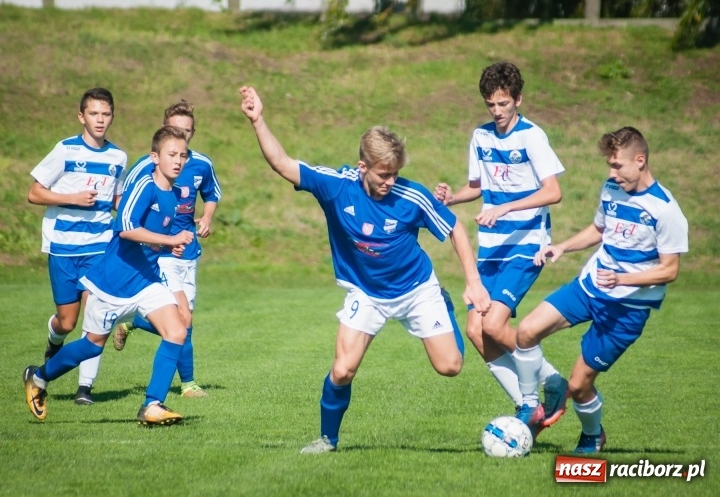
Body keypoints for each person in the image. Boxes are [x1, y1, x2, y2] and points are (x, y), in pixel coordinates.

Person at [239, 86, 491, 454]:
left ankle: (445, 305)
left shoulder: (411, 195)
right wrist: (258, 120)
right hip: (366, 292)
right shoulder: (336, 186)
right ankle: (328, 439)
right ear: (363, 168)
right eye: (384, 174)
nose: (391, 181)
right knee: (342, 370)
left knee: (450, 366)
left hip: (416, 289)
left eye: (395, 173)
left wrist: (473, 282)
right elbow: (282, 163)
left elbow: (455, 228)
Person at [512, 126, 688, 453]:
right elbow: (599, 229)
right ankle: (530, 407)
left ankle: (593, 435)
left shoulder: (665, 210)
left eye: (617, 165)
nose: (612, 173)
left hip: (627, 310)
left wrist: (621, 280)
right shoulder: (611, 189)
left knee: (580, 386)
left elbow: (670, 269)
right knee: (526, 331)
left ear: (640, 160)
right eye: (609, 165)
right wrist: (562, 247)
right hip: (589, 288)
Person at [23, 125, 194, 425]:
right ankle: (38, 378)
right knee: (91, 345)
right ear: (155, 157)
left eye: (182, 155)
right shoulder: (143, 186)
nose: (178, 161)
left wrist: (169, 247)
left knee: (177, 330)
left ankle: (152, 404)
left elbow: (153, 239)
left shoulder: (175, 194)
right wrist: (170, 240)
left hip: (146, 279)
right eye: (171, 154)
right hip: (113, 283)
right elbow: (126, 229)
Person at [434, 62, 568, 433]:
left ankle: (552, 380)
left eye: (503, 103)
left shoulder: (532, 137)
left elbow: (553, 192)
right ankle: (528, 406)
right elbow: (477, 187)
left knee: (494, 324)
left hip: (526, 244)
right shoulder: (481, 136)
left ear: (518, 100)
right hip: (491, 248)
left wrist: (506, 207)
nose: (496, 111)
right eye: (490, 104)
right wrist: (451, 198)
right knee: (476, 330)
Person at [112, 100, 222, 398]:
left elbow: (211, 193)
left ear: (193, 132)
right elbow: (124, 203)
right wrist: (152, 239)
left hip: (188, 252)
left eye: (187, 131)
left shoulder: (201, 164)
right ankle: (188, 384)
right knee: (183, 319)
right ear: (164, 129)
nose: (182, 135)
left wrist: (207, 218)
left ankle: (135, 322)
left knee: (186, 320)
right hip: (161, 255)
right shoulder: (147, 166)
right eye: (175, 129)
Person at [27, 87, 128, 405]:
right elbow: (34, 193)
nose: (100, 119)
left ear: (112, 117)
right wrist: (71, 198)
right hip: (63, 247)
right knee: (67, 322)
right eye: (94, 113)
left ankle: (85, 389)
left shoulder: (118, 157)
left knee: (95, 318)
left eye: (106, 114)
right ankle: (53, 342)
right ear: (81, 117)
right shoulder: (65, 150)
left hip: (99, 246)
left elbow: (117, 200)